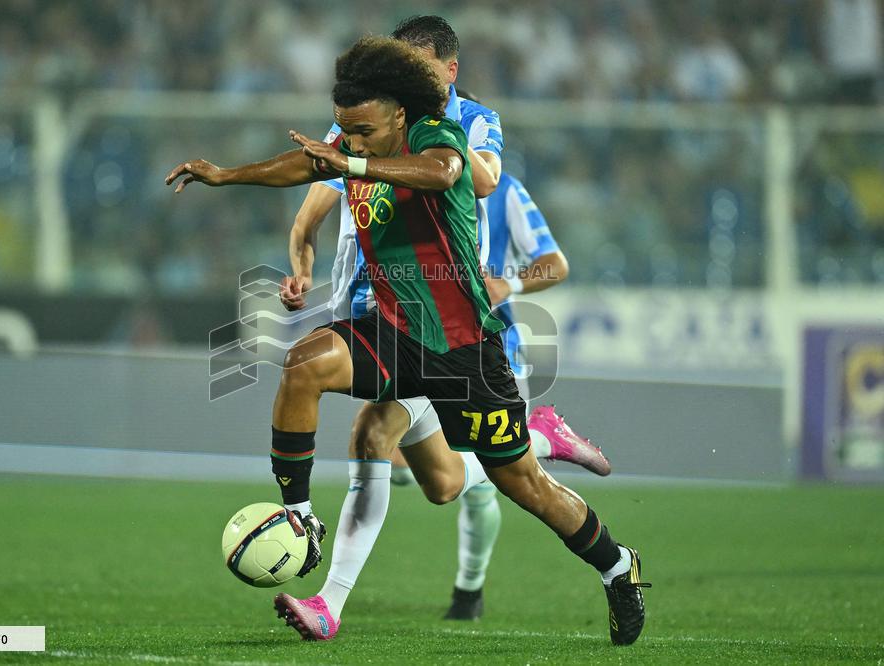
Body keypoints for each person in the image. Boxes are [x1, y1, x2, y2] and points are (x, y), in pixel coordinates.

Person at [165, 35, 649, 646]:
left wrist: (354, 164)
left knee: (517, 484)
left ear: (399, 112)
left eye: (363, 131)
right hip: (392, 334)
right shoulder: (357, 145)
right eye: (346, 132)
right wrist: (225, 175)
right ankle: (301, 515)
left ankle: (617, 566)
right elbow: (313, 164)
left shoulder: (434, 134)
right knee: (304, 363)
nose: (352, 142)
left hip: (463, 351)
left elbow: (445, 174)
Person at [276, 18, 611, 630]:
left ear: (448, 73)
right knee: (446, 482)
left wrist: (410, 153)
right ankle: (539, 436)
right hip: (370, 316)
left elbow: (479, 180)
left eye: (418, 71)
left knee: (375, 437)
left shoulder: (471, 127)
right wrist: (300, 264)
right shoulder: (359, 128)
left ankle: (331, 604)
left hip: (443, 327)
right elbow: (306, 220)